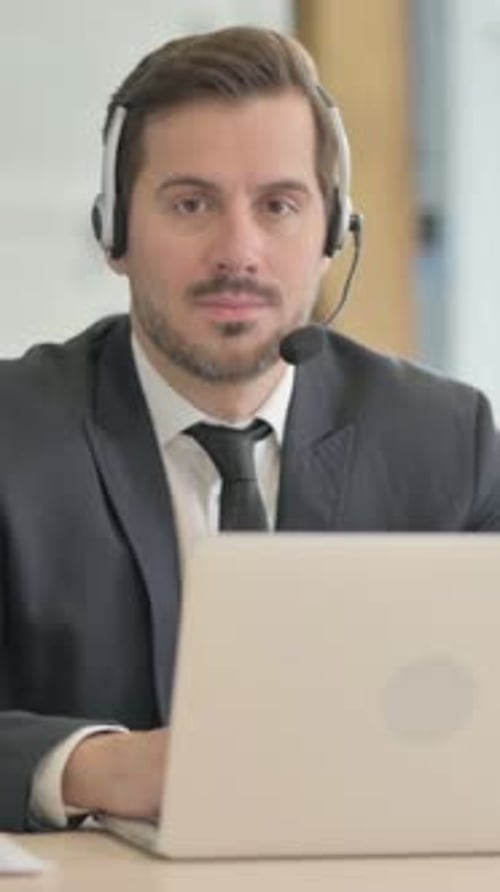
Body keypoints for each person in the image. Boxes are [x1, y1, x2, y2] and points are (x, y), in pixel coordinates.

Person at [1, 25, 499, 834]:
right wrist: (96, 765)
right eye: (191, 203)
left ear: (334, 231)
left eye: (279, 205)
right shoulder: (14, 432)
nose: (239, 251)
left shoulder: (444, 438)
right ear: (114, 231)